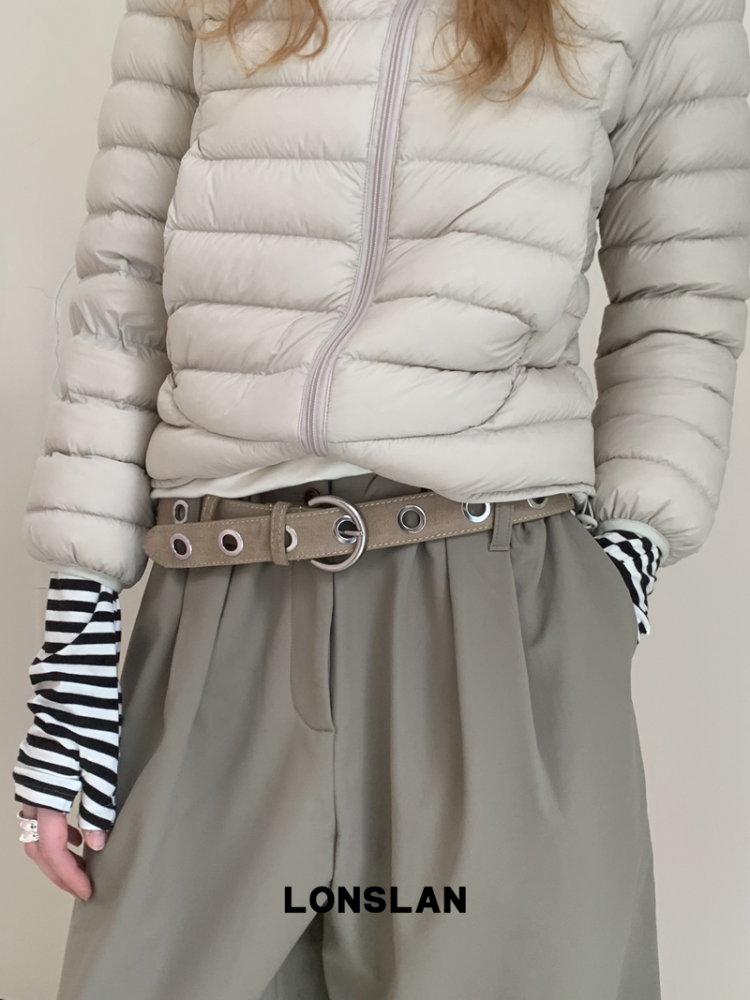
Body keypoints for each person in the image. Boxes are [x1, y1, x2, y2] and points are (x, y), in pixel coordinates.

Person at [12, 0, 750, 996]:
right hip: (216, 607)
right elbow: (122, 279)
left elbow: (683, 293)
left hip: (496, 613)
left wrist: (625, 562)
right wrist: (77, 635)